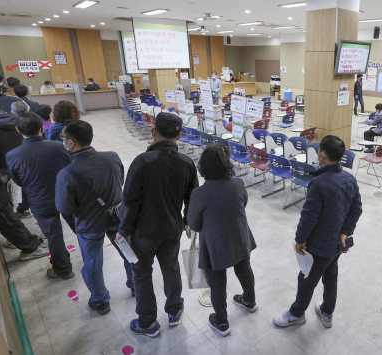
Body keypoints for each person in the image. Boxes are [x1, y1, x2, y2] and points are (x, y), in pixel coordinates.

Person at [117, 112, 198, 337]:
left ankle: (147, 322)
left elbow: (130, 201)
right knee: (170, 268)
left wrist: (123, 230)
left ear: (153, 132)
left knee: (141, 274)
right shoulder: (187, 163)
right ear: (180, 135)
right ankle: (174, 311)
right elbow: (192, 198)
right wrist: (185, 221)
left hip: (143, 232)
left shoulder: (142, 162)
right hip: (172, 228)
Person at [273, 135, 362, 329]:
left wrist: (300, 240)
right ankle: (327, 311)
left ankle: (296, 314)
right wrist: (345, 232)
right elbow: (357, 209)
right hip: (337, 245)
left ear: (321, 155)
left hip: (319, 246)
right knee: (330, 276)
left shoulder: (319, 183)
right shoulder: (349, 178)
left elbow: (308, 218)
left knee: (306, 279)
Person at [55, 121, 133, 315]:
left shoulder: (67, 173)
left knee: (92, 262)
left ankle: (100, 301)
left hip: (89, 224)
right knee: (129, 254)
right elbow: (120, 182)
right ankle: (136, 286)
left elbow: (64, 207)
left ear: (71, 143)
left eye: (63, 138)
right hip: (117, 218)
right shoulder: (112, 157)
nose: (62, 141)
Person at [186, 143, 257, 337]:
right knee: (244, 269)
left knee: (218, 282)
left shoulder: (199, 194)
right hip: (240, 236)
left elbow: (194, 225)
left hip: (215, 245)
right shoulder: (238, 183)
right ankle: (250, 301)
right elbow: (244, 203)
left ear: (203, 167)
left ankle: (222, 322)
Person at [6, 113, 76, 280]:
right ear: (41, 128)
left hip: (39, 200)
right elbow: (73, 168)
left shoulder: (12, 155)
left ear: (17, 130)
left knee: (53, 236)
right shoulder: (59, 146)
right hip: (66, 195)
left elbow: (17, 180)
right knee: (81, 228)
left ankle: (63, 269)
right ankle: (92, 256)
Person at [0, 128, 49, 260]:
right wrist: (5, 175)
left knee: (12, 220)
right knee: (9, 223)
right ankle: (29, 249)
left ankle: (32, 241)